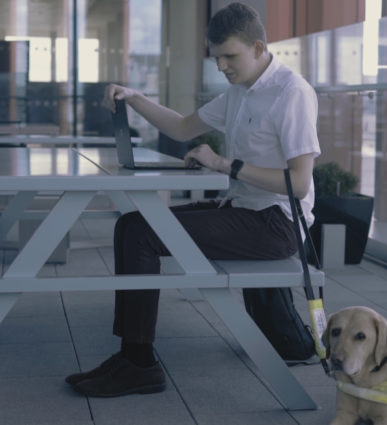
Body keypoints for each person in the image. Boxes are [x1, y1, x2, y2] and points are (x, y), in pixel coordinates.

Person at [65, 2, 321, 398]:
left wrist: (224, 164)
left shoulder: (292, 93)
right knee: (131, 225)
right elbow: (183, 126)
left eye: (229, 56)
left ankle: (139, 365)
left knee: (141, 235)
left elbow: (300, 184)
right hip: (243, 210)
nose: (221, 66)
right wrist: (135, 98)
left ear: (257, 47)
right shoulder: (239, 91)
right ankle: (132, 356)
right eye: (216, 57)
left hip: (277, 224)